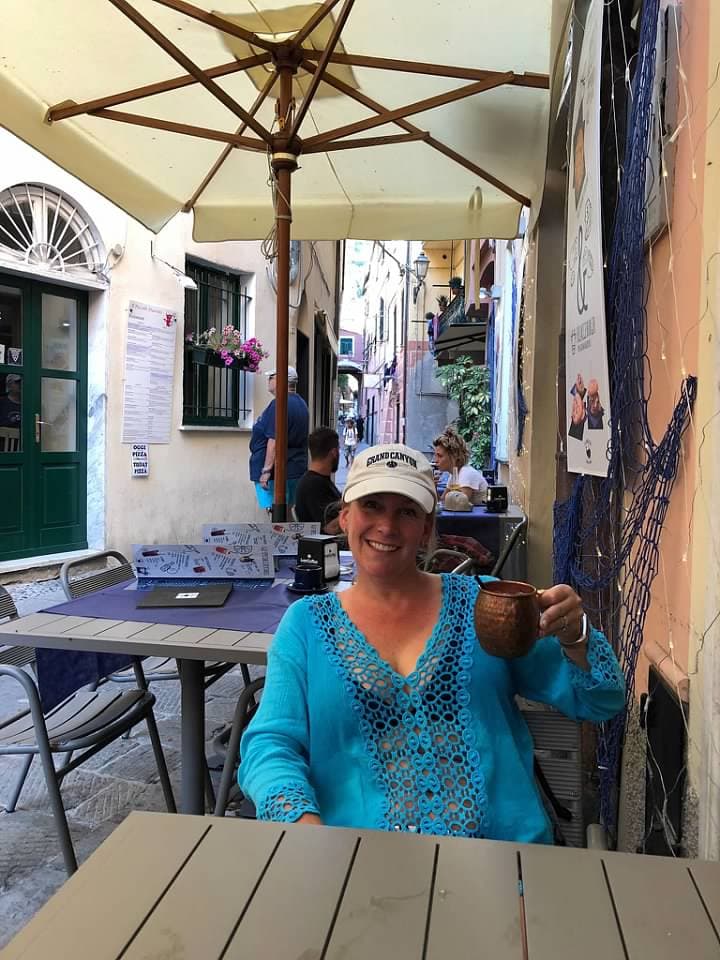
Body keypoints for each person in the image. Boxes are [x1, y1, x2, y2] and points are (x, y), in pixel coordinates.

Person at [239, 443, 625, 843]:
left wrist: (575, 634)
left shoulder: (488, 605)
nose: (387, 526)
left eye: (406, 511)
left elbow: (601, 700)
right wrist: (302, 823)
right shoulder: (306, 626)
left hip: (502, 869)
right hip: (354, 869)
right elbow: (269, 747)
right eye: (371, 506)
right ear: (344, 517)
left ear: (425, 529)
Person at [249, 366, 309, 512]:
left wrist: (266, 471)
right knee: (286, 514)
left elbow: (274, 440)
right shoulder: (301, 403)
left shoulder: (280, 404)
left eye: (271, 377)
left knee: (278, 517)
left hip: (278, 474)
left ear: (280, 380)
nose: (268, 381)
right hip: (294, 468)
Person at [294, 427, 342, 534]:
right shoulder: (313, 485)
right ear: (334, 452)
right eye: (339, 449)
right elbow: (330, 528)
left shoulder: (319, 481)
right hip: (327, 547)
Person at [433, 426, 488, 505]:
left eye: (440, 456)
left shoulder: (466, 473)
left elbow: (459, 504)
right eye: (435, 456)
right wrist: (434, 487)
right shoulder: (454, 475)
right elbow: (442, 502)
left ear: (454, 455)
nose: (435, 460)